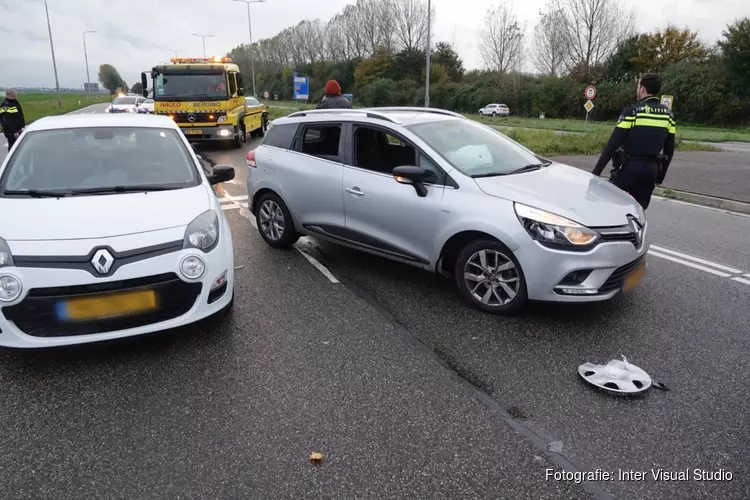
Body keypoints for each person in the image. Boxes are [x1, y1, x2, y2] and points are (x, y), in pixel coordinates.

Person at [591, 73, 676, 209]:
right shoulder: (668, 115)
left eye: (638, 87)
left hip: (630, 168)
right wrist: (660, 176)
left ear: (642, 89)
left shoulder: (632, 112)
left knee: (613, 206)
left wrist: (595, 174)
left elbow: (612, 145)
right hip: (651, 170)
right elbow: (669, 150)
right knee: (638, 212)